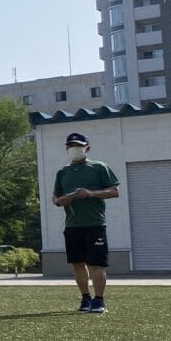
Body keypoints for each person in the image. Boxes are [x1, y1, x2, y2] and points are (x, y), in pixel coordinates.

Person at [52, 132, 120, 315]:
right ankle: (85, 298)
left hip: (95, 223)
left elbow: (114, 191)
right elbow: (56, 198)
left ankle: (99, 300)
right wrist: (65, 199)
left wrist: (90, 194)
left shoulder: (99, 167)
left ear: (87, 148)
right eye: (71, 147)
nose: (75, 150)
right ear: (66, 149)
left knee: (96, 264)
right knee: (77, 263)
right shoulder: (62, 173)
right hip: (73, 225)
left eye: (78, 146)